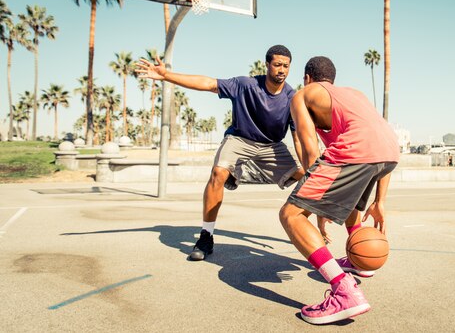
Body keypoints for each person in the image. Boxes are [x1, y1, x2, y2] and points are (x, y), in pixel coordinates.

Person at [136, 44, 304, 260]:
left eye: (286, 66)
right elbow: (208, 84)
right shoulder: (246, 85)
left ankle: (308, 228)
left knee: (310, 179)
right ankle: (206, 235)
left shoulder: (292, 98)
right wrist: (166, 75)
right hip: (240, 139)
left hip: (272, 146)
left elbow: (298, 139)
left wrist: (311, 172)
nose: (282, 70)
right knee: (218, 173)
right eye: (277, 65)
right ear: (267, 65)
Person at [279, 56, 399, 325]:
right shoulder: (354, 95)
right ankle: (358, 261)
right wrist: (380, 201)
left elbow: (310, 148)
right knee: (350, 198)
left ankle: (344, 290)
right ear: (332, 79)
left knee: (291, 215)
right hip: (390, 151)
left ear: (308, 78)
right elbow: (378, 140)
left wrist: (315, 206)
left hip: (358, 150)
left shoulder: (303, 94)